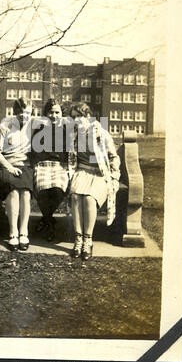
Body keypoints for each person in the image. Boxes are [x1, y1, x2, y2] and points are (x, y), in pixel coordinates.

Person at [69, 103, 120, 261]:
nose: (76, 120)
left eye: (79, 116)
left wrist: (114, 176)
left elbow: (113, 156)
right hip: (82, 171)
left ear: (87, 116)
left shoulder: (100, 133)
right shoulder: (74, 135)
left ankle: (88, 240)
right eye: (73, 117)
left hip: (99, 173)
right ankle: (78, 240)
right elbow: (71, 158)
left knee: (90, 199)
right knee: (76, 196)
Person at [0, 98, 34, 251]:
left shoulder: (34, 125)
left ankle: (24, 232)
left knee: (26, 194)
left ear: (32, 112)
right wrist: (9, 167)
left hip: (25, 166)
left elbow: (57, 123)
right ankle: (13, 232)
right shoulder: (6, 125)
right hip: (6, 165)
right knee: (14, 192)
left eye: (27, 112)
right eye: (21, 112)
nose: (24, 115)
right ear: (15, 112)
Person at [31, 98, 70, 242]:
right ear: (46, 113)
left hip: (60, 166)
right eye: (50, 112)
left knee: (57, 191)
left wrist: (68, 167)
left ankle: (46, 219)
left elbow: (69, 152)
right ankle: (50, 224)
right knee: (42, 191)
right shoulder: (40, 129)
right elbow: (34, 151)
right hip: (43, 165)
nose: (54, 115)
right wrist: (35, 164)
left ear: (62, 114)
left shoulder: (66, 130)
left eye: (57, 112)